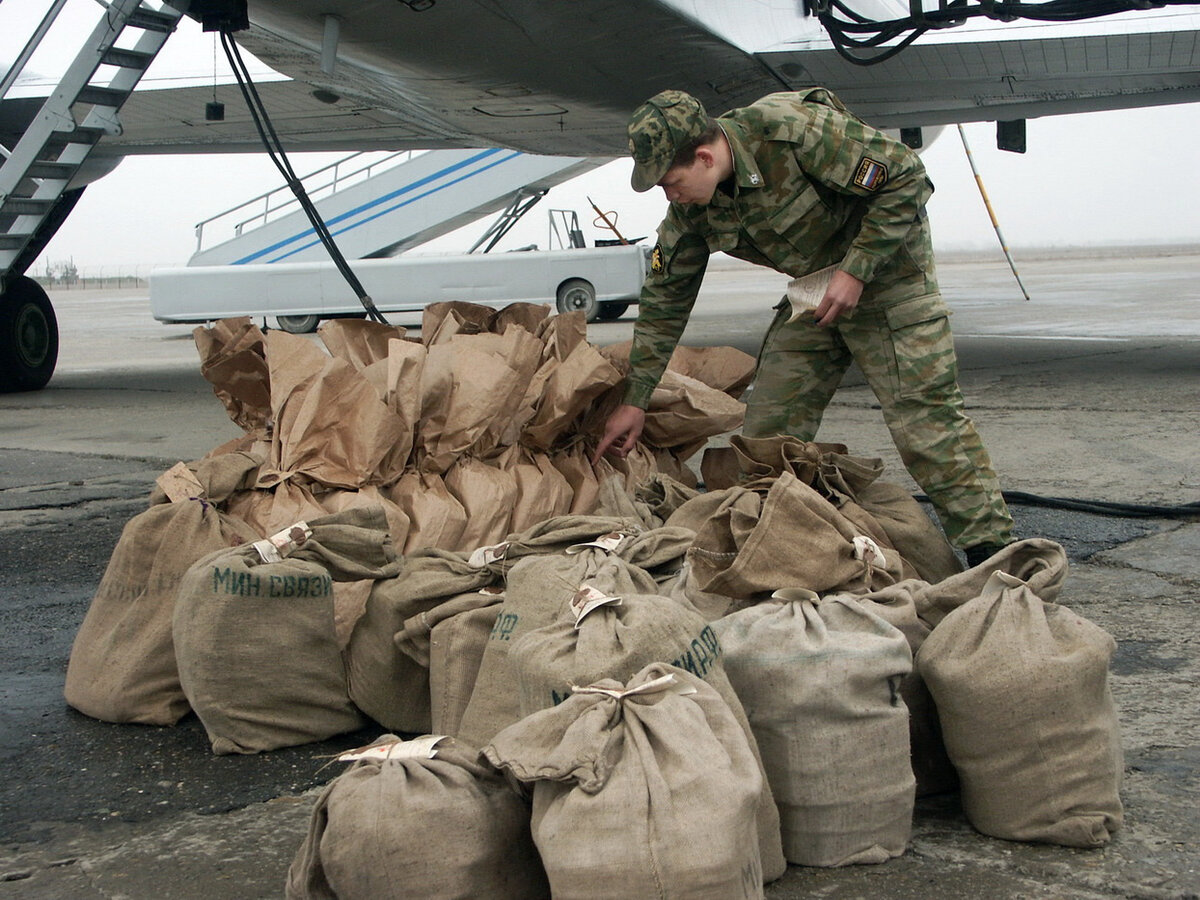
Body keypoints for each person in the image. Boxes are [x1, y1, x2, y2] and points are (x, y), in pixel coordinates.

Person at [592, 87, 1014, 568]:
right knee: (769, 434)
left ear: (705, 157)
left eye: (671, 181)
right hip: (816, 292)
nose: (670, 194)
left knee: (925, 423)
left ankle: (993, 550)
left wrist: (856, 270)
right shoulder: (692, 210)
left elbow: (907, 177)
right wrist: (636, 400)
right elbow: (665, 300)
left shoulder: (791, 130)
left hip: (888, 279)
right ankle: (785, 544)